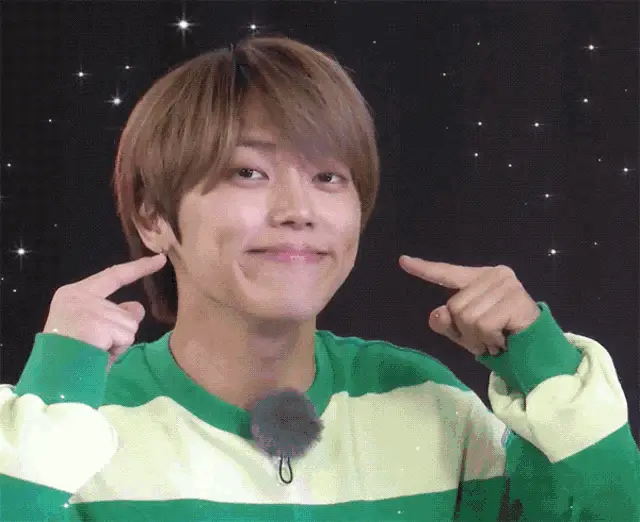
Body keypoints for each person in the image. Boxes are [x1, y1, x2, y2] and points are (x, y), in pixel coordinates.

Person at [1, 35, 638, 522]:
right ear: (153, 217)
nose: (297, 210)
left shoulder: (427, 403)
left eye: (328, 177)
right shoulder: (71, 428)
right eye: (247, 173)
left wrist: (544, 366)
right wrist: (49, 400)